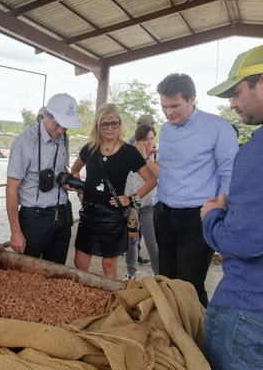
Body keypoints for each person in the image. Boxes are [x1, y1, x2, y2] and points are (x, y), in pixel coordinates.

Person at [201, 45, 263, 370]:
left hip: (248, 311)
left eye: (237, 93)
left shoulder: (255, 153)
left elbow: (244, 241)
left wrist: (211, 217)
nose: (233, 104)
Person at [154, 73, 238, 307]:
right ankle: (169, 337)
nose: (169, 112)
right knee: (166, 282)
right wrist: (158, 204)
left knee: (189, 285)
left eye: (174, 106)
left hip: (198, 217)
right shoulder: (165, 130)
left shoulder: (218, 128)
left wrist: (220, 216)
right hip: (164, 214)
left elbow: (229, 175)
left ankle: (197, 339)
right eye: (164, 106)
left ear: (192, 99)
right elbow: (167, 169)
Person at [71, 103, 156, 278]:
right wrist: (80, 191)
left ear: (120, 124)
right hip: (88, 213)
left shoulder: (129, 152)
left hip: (113, 215)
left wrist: (131, 199)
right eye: (104, 123)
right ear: (98, 126)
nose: (109, 127)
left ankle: (107, 301)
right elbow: (74, 171)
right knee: (80, 262)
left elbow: (151, 180)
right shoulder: (90, 148)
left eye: (114, 123)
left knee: (108, 265)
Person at [6, 93, 80, 264]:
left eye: (66, 127)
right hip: (34, 217)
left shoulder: (64, 138)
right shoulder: (24, 141)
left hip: (62, 214)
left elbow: (62, 167)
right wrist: (16, 232)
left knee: (56, 270)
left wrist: (68, 179)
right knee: (27, 272)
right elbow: (11, 189)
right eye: (58, 124)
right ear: (46, 114)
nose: (61, 131)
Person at [124, 124, 160, 279]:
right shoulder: (129, 153)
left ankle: (159, 277)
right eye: (146, 139)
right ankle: (131, 274)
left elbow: (158, 175)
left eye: (152, 138)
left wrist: (145, 156)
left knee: (152, 243)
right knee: (131, 241)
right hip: (131, 205)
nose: (150, 142)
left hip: (148, 205)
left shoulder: (156, 156)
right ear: (138, 140)